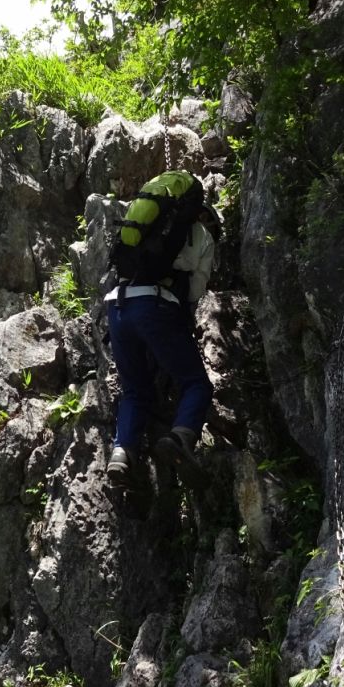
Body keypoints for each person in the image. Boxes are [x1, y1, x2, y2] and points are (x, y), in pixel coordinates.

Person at [105, 200, 222, 488]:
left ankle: (121, 454)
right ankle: (180, 437)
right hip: (154, 306)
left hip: (117, 307)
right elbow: (195, 290)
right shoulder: (201, 235)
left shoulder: (145, 228)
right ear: (205, 217)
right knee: (196, 383)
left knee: (134, 389)